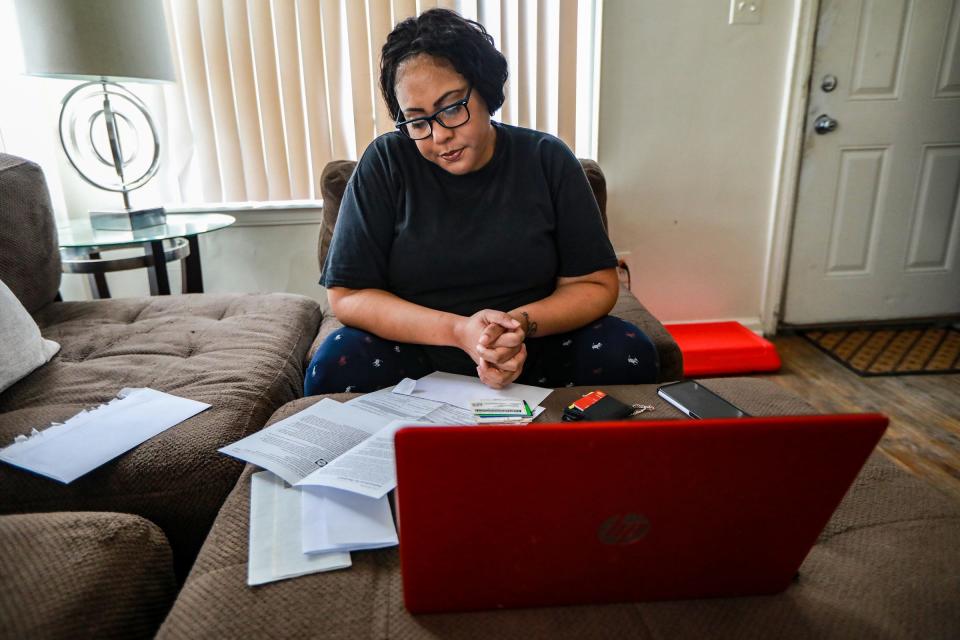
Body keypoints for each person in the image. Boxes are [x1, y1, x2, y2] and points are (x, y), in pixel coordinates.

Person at [305, 8, 658, 395]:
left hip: (534, 344)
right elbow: (348, 295)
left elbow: (594, 283)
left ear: (486, 92)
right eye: (418, 121)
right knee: (336, 366)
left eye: (453, 108)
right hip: (417, 348)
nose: (439, 136)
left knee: (629, 352)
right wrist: (459, 331)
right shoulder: (388, 161)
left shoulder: (547, 159)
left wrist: (515, 327)